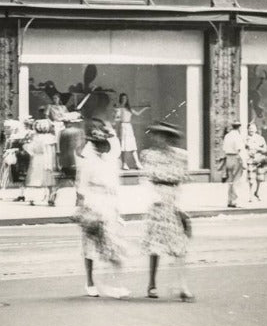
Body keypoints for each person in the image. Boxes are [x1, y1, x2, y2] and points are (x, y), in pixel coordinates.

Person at [140, 121, 193, 301]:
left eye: (163, 136)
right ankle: (152, 283)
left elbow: (182, 182)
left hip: (173, 202)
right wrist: (153, 199)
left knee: (180, 246)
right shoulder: (149, 155)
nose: (158, 139)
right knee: (155, 246)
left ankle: (183, 286)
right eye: (156, 135)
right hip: (157, 202)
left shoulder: (181, 156)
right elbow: (146, 180)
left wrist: (182, 208)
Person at [75, 122, 127, 298]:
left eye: (104, 144)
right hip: (94, 202)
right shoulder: (87, 163)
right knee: (90, 245)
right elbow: (82, 188)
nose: (102, 148)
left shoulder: (112, 162)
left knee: (113, 243)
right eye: (98, 145)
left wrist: (118, 209)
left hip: (109, 203)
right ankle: (89, 281)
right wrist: (83, 209)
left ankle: (114, 283)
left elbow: (116, 186)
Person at [23, 118, 58, 206]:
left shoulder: (36, 138)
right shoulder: (50, 138)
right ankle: (51, 197)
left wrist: (28, 149)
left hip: (37, 158)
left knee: (35, 177)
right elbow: (51, 151)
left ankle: (32, 198)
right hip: (47, 159)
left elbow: (30, 148)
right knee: (48, 178)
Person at [113, 93, 148, 171]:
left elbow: (138, 114)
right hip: (123, 127)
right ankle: (124, 164)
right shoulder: (119, 109)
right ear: (120, 99)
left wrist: (145, 108)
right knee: (124, 146)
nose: (124, 100)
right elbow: (116, 119)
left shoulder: (129, 108)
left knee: (132, 145)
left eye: (125, 98)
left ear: (127, 99)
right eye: (122, 98)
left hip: (129, 127)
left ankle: (137, 163)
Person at [220, 122, 245, 208]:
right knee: (236, 181)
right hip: (236, 158)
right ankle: (235, 201)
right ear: (239, 127)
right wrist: (243, 162)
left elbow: (224, 149)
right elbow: (239, 150)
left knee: (230, 180)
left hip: (228, 158)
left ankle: (229, 200)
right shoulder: (237, 136)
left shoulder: (227, 136)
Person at [244, 120, 267, 201]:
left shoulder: (260, 138)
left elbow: (265, 150)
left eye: (253, 128)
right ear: (247, 129)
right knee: (251, 179)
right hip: (250, 160)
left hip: (259, 160)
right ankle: (250, 195)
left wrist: (258, 149)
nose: (251, 130)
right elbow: (241, 149)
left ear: (256, 130)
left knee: (260, 178)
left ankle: (257, 192)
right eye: (250, 128)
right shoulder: (245, 139)